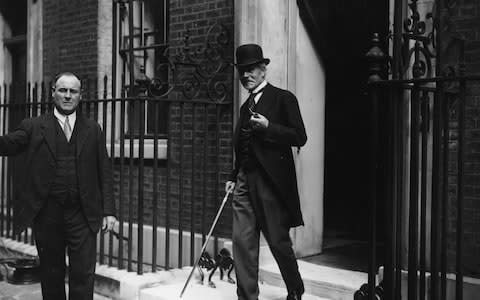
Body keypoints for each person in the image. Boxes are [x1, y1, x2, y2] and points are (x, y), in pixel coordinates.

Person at [0, 72, 117, 300]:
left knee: (83, 274)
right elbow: (10, 144)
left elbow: (104, 170)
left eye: (73, 91)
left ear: (80, 96)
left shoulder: (93, 129)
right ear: (53, 93)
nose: (67, 96)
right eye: (62, 90)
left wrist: (109, 211)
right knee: (51, 274)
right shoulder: (33, 126)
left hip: (82, 214)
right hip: (48, 214)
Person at [225, 44, 307, 300]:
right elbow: (242, 147)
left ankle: (295, 288)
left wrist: (270, 127)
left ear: (263, 70)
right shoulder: (244, 107)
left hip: (270, 182)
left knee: (277, 241)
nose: (246, 76)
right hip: (243, 182)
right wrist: (232, 176)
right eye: (242, 72)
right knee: (242, 243)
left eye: (250, 70)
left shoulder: (283, 98)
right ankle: (247, 296)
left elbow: (299, 137)